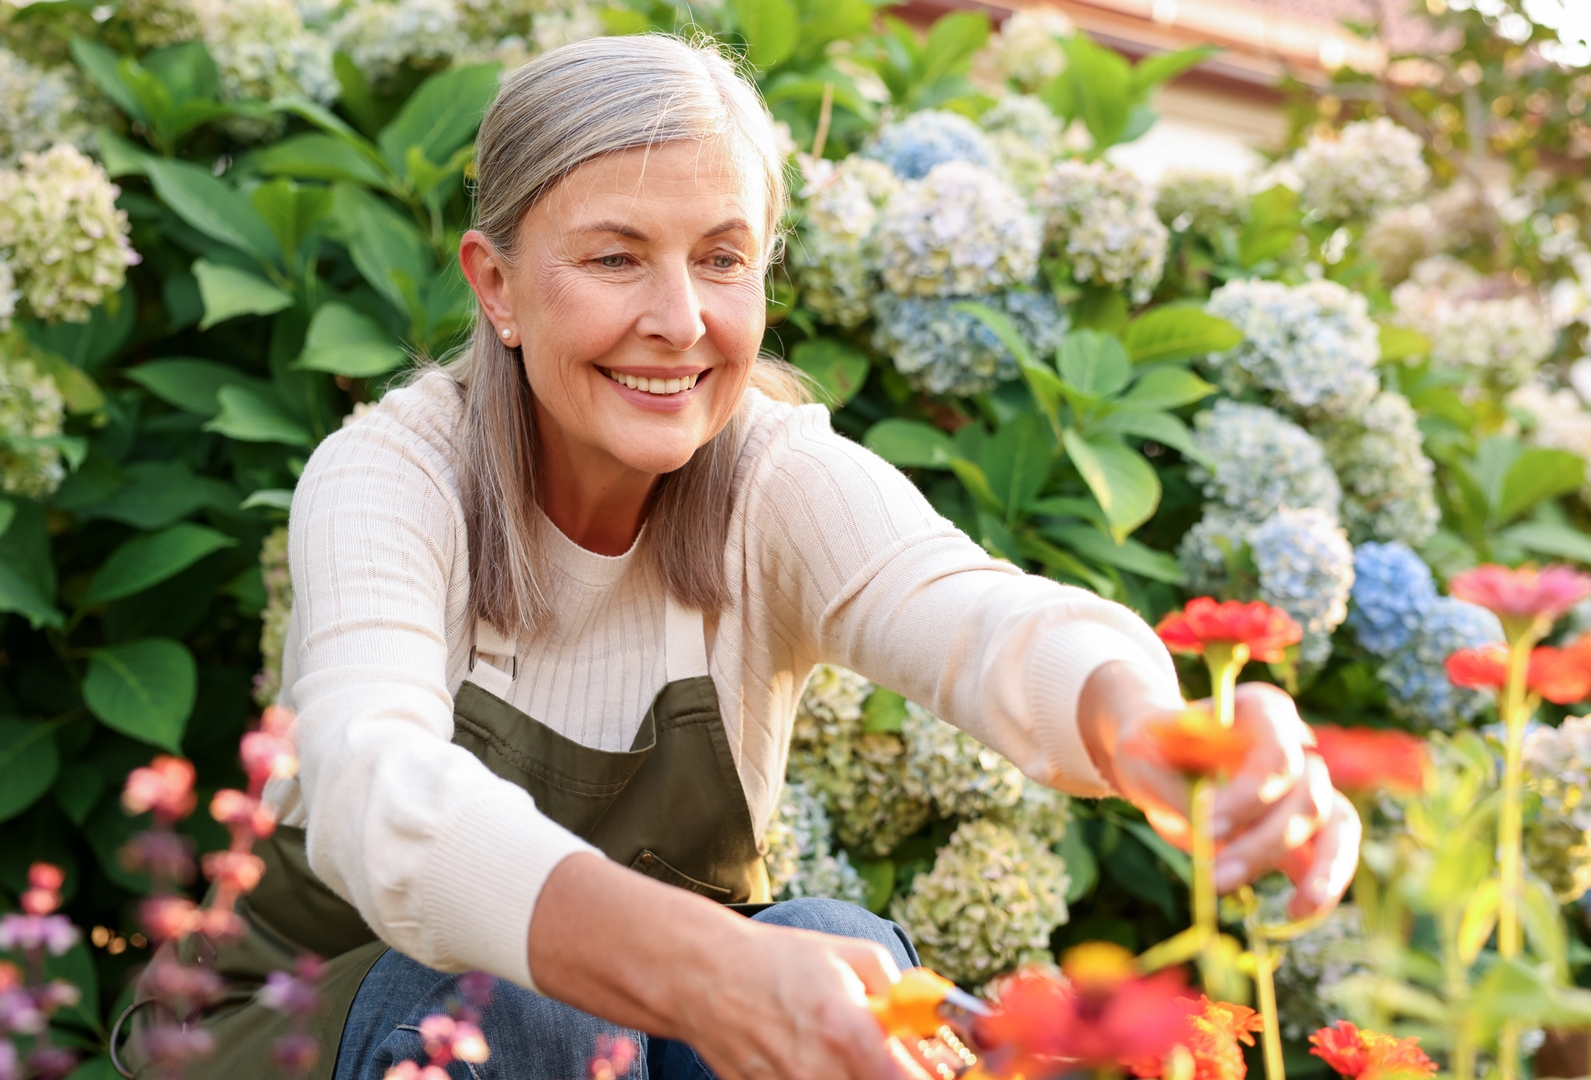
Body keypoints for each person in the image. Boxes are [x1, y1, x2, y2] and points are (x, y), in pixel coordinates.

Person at [199, 32, 1360, 1080]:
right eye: (614, 259)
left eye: (722, 257)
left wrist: (1157, 734)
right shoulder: (389, 478)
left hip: (630, 1032)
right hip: (325, 1023)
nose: (682, 319)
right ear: (495, 284)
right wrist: (704, 965)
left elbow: (980, 618)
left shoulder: (770, 476)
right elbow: (377, 795)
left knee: (837, 955)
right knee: (522, 1009)